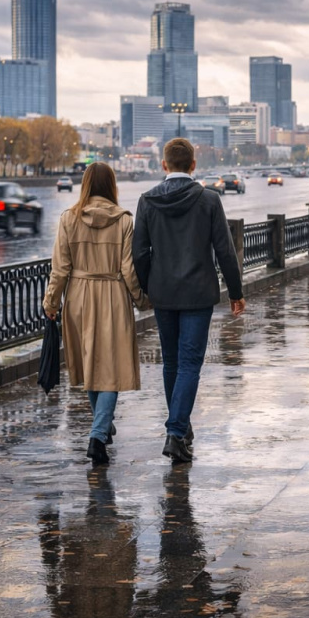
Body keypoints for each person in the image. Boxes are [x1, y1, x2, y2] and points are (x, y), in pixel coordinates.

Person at [132, 138, 245, 464]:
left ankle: (180, 428)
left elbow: (139, 252)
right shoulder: (208, 199)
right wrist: (236, 293)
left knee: (172, 362)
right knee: (190, 363)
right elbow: (225, 250)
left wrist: (148, 287)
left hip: (164, 294)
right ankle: (176, 431)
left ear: (164, 165)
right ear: (193, 166)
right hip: (197, 294)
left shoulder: (147, 200)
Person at [43, 162, 150, 467]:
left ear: (85, 184)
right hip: (113, 294)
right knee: (111, 367)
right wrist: (141, 300)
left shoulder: (68, 219)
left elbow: (60, 269)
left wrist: (51, 302)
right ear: (112, 186)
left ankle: (102, 425)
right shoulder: (124, 221)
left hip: (78, 295)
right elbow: (129, 270)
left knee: (92, 363)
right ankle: (98, 433)